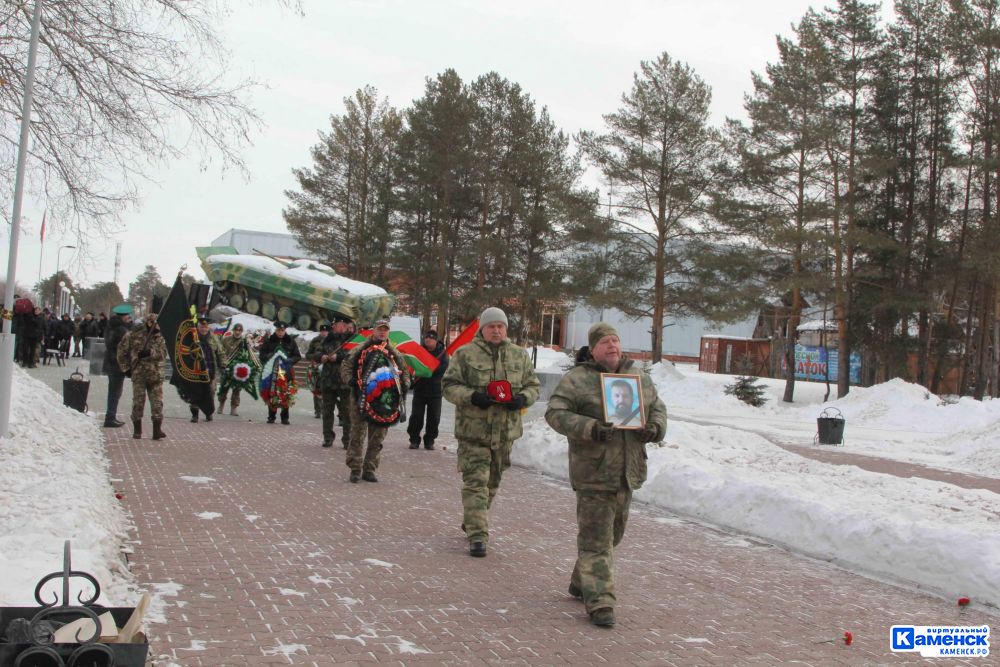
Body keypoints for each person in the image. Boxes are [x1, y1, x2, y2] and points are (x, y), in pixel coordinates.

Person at [545, 323, 667, 628]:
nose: (612, 346)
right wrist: (590, 428)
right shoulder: (577, 379)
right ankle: (600, 601)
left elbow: (658, 410)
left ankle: (580, 580)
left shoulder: (638, 378)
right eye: (605, 342)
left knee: (612, 536)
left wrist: (653, 428)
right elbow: (555, 413)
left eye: (615, 340)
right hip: (594, 472)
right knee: (596, 541)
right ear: (593, 349)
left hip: (628, 471)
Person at [442, 307, 540, 557]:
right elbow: (449, 385)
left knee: (492, 483)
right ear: (482, 329)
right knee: (476, 483)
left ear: (506, 329)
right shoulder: (465, 354)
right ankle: (478, 535)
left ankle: (474, 517)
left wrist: (523, 398)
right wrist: (473, 397)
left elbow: (533, 385)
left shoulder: (518, 355)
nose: (496, 330)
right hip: (474, 431)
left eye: (500, 326)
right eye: (491, 326)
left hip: (505, 433)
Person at [340, 319, 409, 482]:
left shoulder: (394, 353)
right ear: (373, 331)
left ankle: (369, 469)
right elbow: (346, 366)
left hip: (385, 402)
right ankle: (355, 468)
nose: (382, 332)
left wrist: (405, 384)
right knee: (357, 433)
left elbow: (405, 371)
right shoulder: (361, 349)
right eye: (379, 329)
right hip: (360, 398)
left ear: (388, 332)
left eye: (385, 330)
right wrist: (350, 380)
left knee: (377, 437)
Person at [118, 312, 168, 440]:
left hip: (156, 375)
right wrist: (126, 369)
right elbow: (121, 352)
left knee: (157, 404)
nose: (159, 327)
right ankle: (137, 431)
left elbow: (163, 353)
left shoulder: (160, 337)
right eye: (156, 324)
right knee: (138, 402)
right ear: (149, 323)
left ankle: (157, 431)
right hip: (139, 374)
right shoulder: (133, 335)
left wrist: (150, 352)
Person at [312, 318, 354, 449]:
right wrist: (321, 357)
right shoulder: (327, 339)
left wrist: (338, 357)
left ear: (344, 326)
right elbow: (317, 352)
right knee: (327, 411)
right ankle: (328, 438)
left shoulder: (350, 340)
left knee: (347, 413)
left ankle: (347, 440)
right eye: (334, 324)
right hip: (328, 380)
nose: (334, 326)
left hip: (344, 382)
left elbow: (352, 355)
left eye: (337, 324)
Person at [407, 329, 449, 450]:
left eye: (430, 338)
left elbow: (442, 368)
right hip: (420, 390)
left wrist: (429, 369)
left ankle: (429, 440)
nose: (428, 340)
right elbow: (413, 365)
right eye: (426, 338)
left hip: (435, 391)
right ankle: (414, 439)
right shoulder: (419, 351)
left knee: (434, 418)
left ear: (436, 341)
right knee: (416, 416)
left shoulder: (443, 353)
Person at [259, 321, 301, 424]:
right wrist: (269, 356)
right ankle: (271, 416)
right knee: (271, 391)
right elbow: (262, 355)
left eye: (282, 330)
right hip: (271, 372)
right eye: (278, 330)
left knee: (285, 392)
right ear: (276, 330)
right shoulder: (269, 341)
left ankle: (285, 417)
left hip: (286, 372)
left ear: (285, 330)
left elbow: (297, 356)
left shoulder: (290, 341)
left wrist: (290, 361)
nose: (280, 332)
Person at [102, 304, 133, 428]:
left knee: (113, 391)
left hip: (110, 362)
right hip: (117, 363)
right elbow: (127, 346)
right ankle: (110, 417)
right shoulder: (122, 330)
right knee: (115, 392)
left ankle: (111, 416)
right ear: (124, 317)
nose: (129, 318)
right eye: (127, 316)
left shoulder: (110, 326)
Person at [189, 317, 224, 423]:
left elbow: (220, 352)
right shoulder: (192, 338)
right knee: (195, 392)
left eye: (205, 327)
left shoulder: (214, 338)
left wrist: (223, 365)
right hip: (196, 371)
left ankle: (209, 413)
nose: (204, 329)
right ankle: (195, 414)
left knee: (210, 392)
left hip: (210, 371)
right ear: (198, 327)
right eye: (201, 327)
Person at [217, 322, 247, 416]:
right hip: (226, 368)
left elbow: (247, 356)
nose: (237, 332)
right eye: (236, 330)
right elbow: (220, 353)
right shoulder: (226, 340)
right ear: (233, 330)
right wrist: (222, 365)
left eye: (239, 330)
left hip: (238, 370)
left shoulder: (244, 342)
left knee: (237, 390)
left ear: (242, 331)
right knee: (224, 388)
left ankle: (234, 408)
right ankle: (221, 405)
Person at [306, 324, 330, 419]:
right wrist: (315, 358)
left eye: (326, 331)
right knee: (317, 389)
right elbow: (308, 354)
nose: (324, 333)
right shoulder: (315, 340)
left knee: (327, 390)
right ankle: (318, 410)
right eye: (322, 331)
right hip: (316, 368)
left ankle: (326, 410)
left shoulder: (332, 341)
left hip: (328, 368)